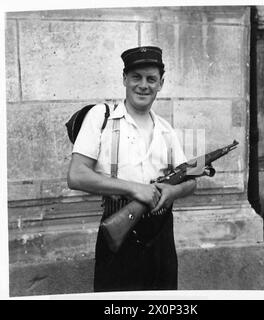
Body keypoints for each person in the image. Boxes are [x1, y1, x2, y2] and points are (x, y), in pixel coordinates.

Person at [67, 46, 197, 292]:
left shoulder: (166, 129)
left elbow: (192, 179)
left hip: (161, 235)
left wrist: (173, 193)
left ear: (161, 84)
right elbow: (76, 175)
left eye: (151, 79)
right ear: (124, 79)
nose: (143, 85)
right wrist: (134, 189)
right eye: (136, 77)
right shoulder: (101, 116)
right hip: (119, 233)